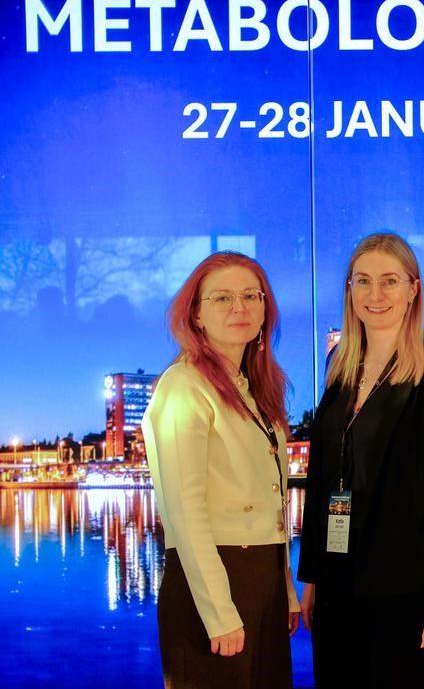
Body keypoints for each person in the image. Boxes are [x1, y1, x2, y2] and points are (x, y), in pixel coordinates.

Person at [297, 232, 424, 687]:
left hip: (405, 586)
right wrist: (312, 579)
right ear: (349, 290)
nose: (375, 295)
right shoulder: (340, 366)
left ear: (414, 289)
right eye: (363, 281)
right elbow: (324, 477)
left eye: (390, 281)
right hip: (336, 585)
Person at [142, 251, 300, 688]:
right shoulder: (183, 387)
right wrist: (219, 613)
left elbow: (272, 501)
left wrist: (284, 592)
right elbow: (185, 511)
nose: (240, 307)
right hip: (212, 586)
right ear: (196, 314)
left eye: (252, 295)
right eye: (222, 298)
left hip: (261, 581)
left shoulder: (250, 388)